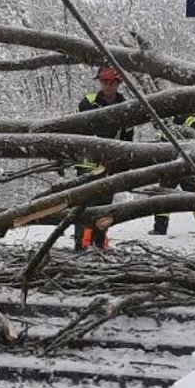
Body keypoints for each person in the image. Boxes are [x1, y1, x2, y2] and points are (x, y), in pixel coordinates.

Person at [73, 65, 134, 251]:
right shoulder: (88, 103)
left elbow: (128, 138)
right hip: (87, 161)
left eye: (111, 82)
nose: (107, 86)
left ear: (118, 83)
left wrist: (123, 162)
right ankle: (81, 242)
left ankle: (99, 242)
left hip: (110, 163)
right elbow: (76, 132)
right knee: (85, 203)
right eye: (104, 82)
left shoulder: (125, 106)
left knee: (105, 204)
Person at [152, 111, 195, 236]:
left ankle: (161, 228)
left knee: (170, 194)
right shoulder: (177, 116)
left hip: (182, 161)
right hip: (174, 161)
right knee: (183, 194)